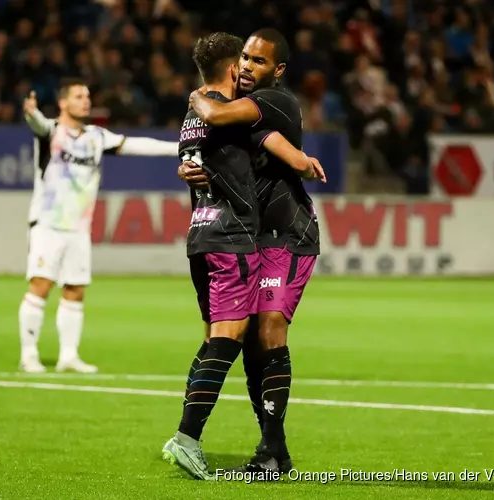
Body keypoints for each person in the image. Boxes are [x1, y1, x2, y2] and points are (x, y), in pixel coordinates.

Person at [163, 32, 325, 480]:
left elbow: (217, 113)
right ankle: (274, 451)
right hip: (253, 237)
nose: (250, 66)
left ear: (278, 70)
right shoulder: (240, 112)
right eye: (246, 58)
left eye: (259, 60)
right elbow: (216, 143)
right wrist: (188, 165)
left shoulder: (274, 101)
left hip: (288, 233)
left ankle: (266, 449)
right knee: (248, 340)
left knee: (269, 327)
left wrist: (199, 97)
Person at [20, 78, 179, 373]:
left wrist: (178, 148)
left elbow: (135, 145)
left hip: (79, 227)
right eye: (79, 96)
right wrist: (31, 113)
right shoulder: (52, 132)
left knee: (75, 290)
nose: (86, 101)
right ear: (63, 102)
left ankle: (68, 356)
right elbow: (38, 124)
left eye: (88, 96)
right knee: (41, 285)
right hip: (47, 223)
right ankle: (28, 354)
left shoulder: (96, 137)